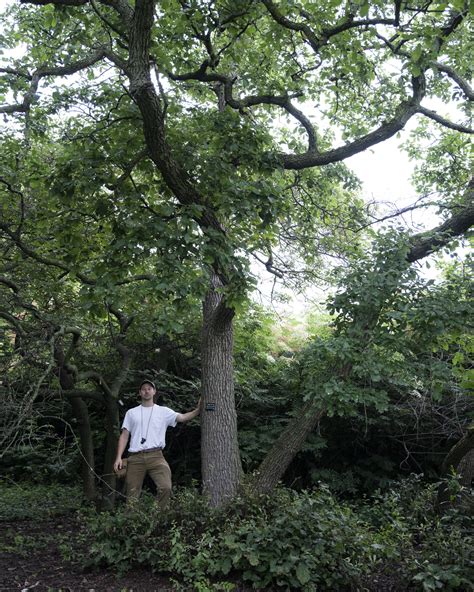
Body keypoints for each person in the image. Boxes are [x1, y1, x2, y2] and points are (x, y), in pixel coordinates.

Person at [114, 379, 201, 507]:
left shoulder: (163, 411)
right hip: (135, 457)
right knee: (132, 494)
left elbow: (182, 418)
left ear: (154, 392)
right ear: (140, 392)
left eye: (149, 388)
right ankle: (131, 523)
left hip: (156, 456)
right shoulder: (131, 413)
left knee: (166, 487)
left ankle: (158, 518)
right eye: (144, 389)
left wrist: (198, 410)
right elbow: (124, 436)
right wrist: (118, 458)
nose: (146, 391)